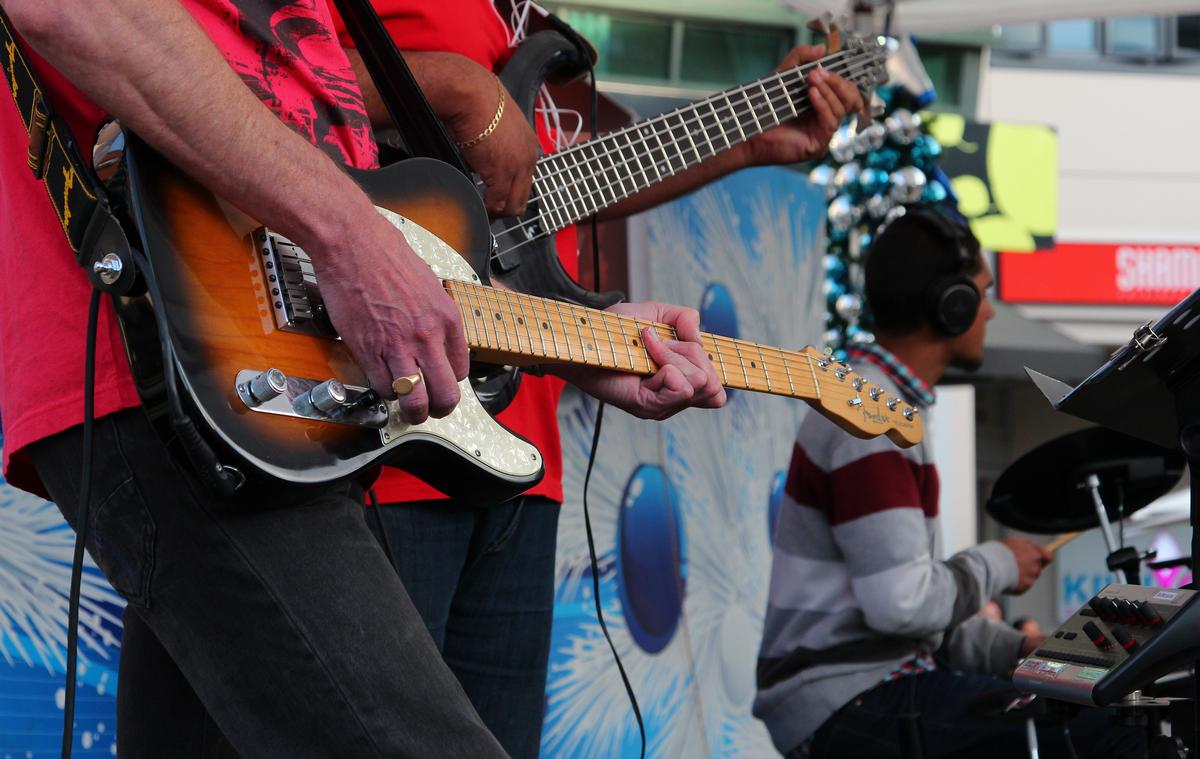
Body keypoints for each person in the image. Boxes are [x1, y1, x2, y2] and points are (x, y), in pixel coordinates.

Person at [0, 0, 726, 755]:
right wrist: (349, 234)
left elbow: (332, 173)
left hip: (278, 386)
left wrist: (566, 338)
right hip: (162, 346)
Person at [329, 3, 867, 756]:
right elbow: (253, 89)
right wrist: (457, 87)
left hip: (520, 446)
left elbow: (532, 202)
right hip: (381, 428)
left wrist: (746, 144)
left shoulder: (517, 17)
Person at [753, 210, 1146, 759]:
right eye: (982, 294)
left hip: (869, 689)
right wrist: (999, 562)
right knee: (1113, 734)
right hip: (848, 700)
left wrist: (1026, 650)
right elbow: (901, 606)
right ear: (951, 304)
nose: (988, 311)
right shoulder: (869, 414)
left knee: (1091, 718)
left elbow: (913, 626)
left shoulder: (883, 401)